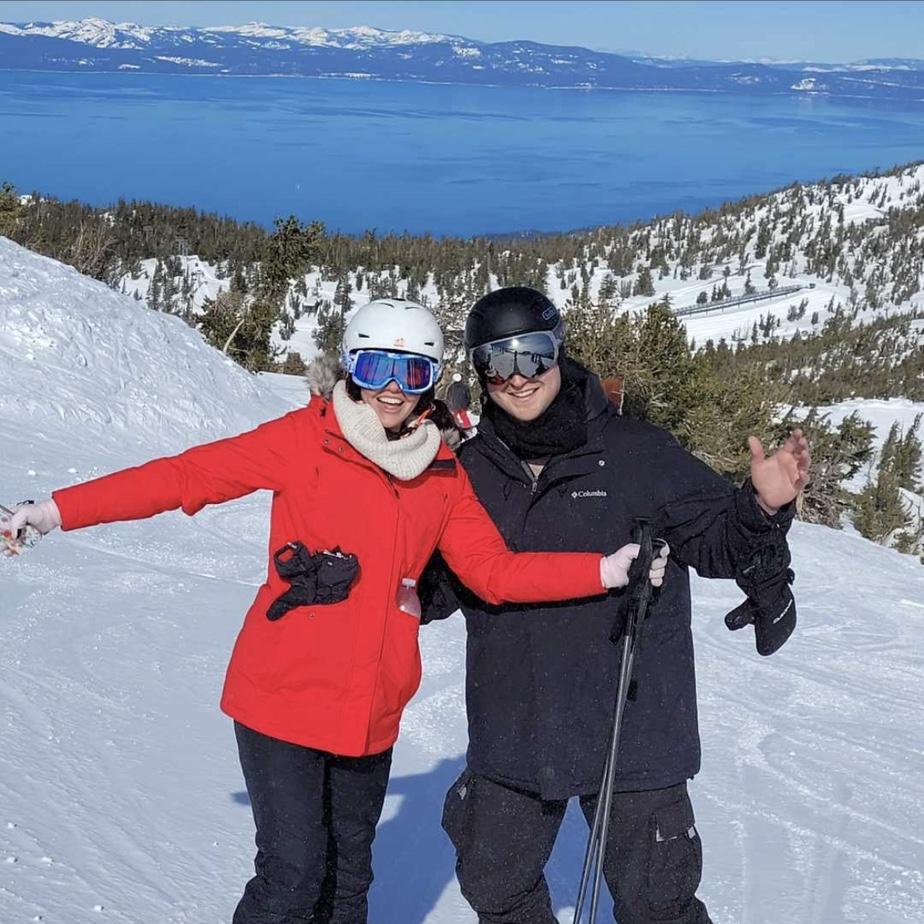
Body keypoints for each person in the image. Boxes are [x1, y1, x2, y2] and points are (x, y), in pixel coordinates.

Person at [2, 297, 668, 924]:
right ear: (352, 365)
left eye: (413, 371)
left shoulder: (442, 473)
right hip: (281, 699)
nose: (392, 388)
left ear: (433, 380)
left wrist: (603, 570)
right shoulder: (305, 439)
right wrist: (57, 510)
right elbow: (185, 476)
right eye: (375, 367)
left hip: (369, 713)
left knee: (349, 882)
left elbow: (494, 572)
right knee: (292, 876)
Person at [422, 287, 811, 924]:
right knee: (494, 883)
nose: (517, 377)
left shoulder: (637, 452)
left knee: (657, 904)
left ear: (559, 352)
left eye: (532, 355)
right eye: (496, 361)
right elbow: (440, 584)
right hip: (515, 722)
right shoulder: (470, 471)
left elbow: (717, 543)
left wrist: (761, 507)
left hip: (632, 721)